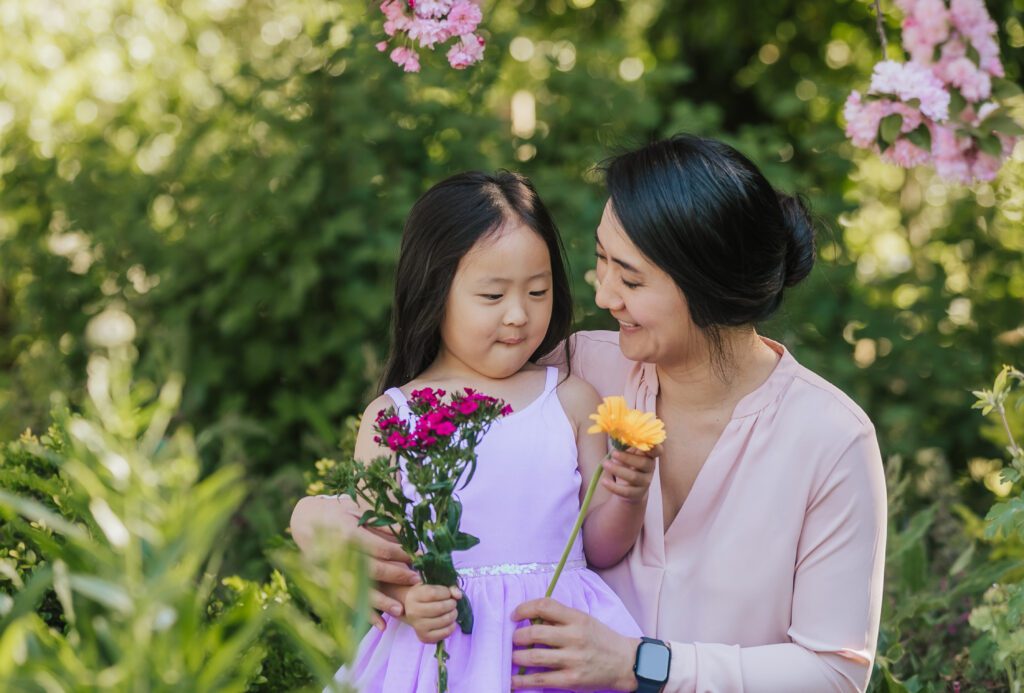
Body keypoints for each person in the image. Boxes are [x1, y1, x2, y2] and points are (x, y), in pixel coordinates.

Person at [293, 135, 887, 692]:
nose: (602, 297)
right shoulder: (576, 367)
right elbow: (434, 428)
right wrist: (315, 519)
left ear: (709, 288)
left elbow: (833, 674)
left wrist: (643, 664)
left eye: (630, 278)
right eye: (601, 262)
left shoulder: (830, 439)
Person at [305, 170, 646, 692]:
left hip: (553, 647)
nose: (518, 315)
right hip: (440, 652)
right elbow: (380, 555)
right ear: (434, 290)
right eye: (491, 296)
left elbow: (597, 547)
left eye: (538, 290)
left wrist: (626, 497)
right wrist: (411, 601)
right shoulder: (394, 416)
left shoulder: (571, 399)